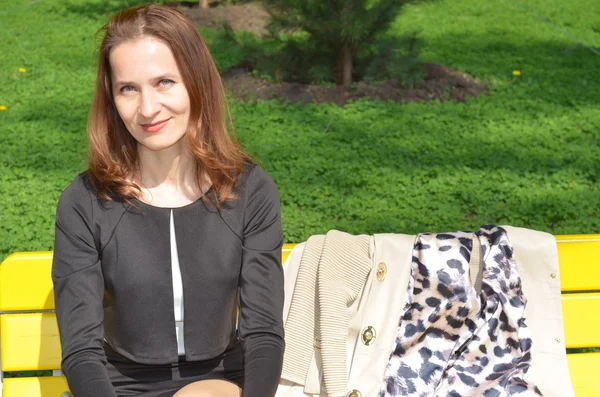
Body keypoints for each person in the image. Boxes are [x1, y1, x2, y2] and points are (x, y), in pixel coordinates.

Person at [51, 4, 284, 397]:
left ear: (196, 81)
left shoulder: (249, 191)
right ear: (111, 97)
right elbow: (81, 351)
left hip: (216, 384)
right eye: (128, 88)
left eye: (164, 82)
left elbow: (262, 332)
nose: (147, 108)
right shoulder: (85, 202)